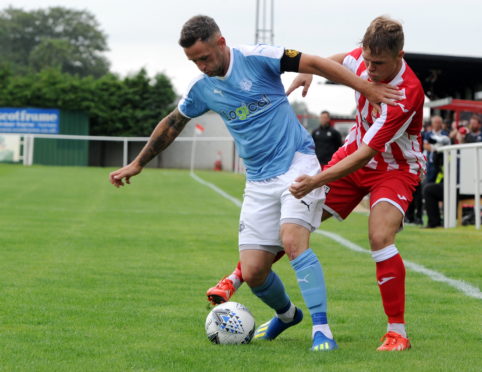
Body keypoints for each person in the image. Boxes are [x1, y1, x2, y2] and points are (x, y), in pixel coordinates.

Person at [109, 15, 400, 351]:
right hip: (258, 180)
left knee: (292, 241)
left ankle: (322, 329)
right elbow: (173, 123)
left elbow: (316, 62)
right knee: (253, 272)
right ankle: (288, 315)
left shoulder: (259, 57)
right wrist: (138, 163)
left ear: (221, 42)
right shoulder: (201, 88)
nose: (201, 66)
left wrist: (364, 86)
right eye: (194, 61)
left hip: (296, 164)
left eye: (204, 57)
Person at [207, 16, 424, 351]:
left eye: (378, 64)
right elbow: (339, 60)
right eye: (367, 60)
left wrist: (316, 180)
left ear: (400, 56)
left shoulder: (405, 93)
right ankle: (238, 276)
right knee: (294, 226)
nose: (369, 69)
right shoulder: (362, 60)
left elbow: (368, 153)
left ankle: (398, 332)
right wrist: (309, 70)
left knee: (380, 235)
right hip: (352, 157)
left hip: (393, 169)